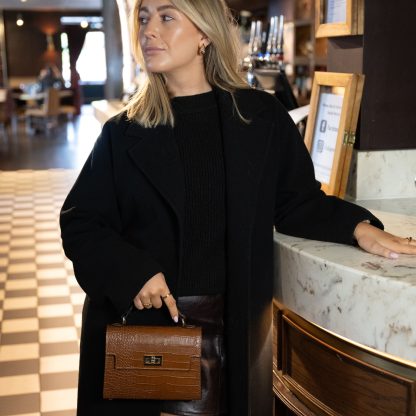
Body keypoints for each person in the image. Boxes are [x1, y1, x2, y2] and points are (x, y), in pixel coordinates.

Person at [59, 1, 416, 415]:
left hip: (234, 331)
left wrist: (356, 227)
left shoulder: (260, 118)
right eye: (144, 18)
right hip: (150, 329)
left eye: (167, 16)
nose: (148, 30)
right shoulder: (123, 133)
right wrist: (133, 273)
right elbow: (81, 221)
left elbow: (295, 201)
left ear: (205, 35)